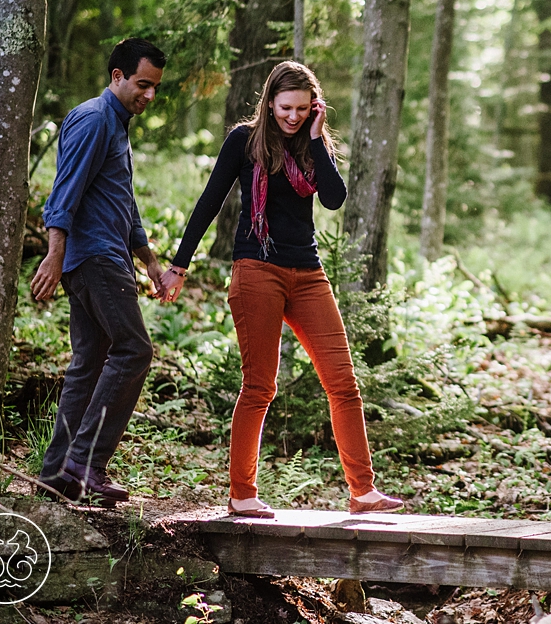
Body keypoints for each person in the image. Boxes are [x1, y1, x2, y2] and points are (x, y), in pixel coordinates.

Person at [160, 61, 403, 518]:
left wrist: (315, 137)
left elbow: (333, 198)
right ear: (269, 103)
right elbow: (209, 202)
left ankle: (363, 491)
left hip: (308, 274)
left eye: (302, 108)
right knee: (259, 386)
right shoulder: (244, 142)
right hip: (258, 271)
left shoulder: (314, 145)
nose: (293, 116)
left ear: (315, 108)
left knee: (344, 384)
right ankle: (242, 493)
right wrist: (179, 264)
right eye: (285, 107)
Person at [32, 38, 168, 507]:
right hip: (94, 257)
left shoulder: (117, 125)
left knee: (89, 361)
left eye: (155, 88)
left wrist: (149, 261)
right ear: (117, 77)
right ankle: (85, 462)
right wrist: (55, 254)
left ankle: (56, 475)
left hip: (106, 254)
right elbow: (64, 193)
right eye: (142, 84)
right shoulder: (94, 119)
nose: (148, 95)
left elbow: (122, 203)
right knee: (134, 350)